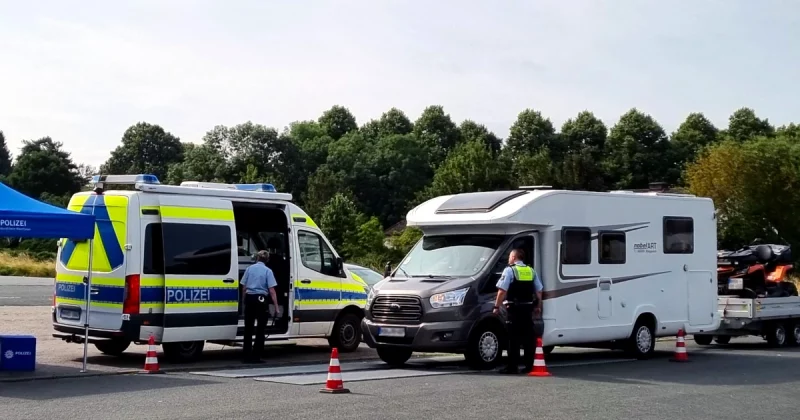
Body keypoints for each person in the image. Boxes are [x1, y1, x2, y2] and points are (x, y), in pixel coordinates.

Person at [492, 248, 543, 374]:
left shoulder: (510, 270)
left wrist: (496, 307)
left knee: (513, 338)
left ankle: (512, 367)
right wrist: (538, 306)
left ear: (514, 257)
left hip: (514, 309)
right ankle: (529, 366)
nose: (509, 259)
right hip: (528, 309)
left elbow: (502, 290)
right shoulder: (530, 270)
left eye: (510, 256)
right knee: (528, 338)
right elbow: (539, 291)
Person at [240, 250, 280, 363]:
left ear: (257, 258)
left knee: (248, 328)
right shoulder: (268, 271)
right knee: (260, 329)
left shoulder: (249, 269)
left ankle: (246, 355)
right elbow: (272, 290)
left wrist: (244, 300)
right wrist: (276, 307)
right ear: (267, 260)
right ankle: (256, 356)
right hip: (261, 300)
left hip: (250, 298)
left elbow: (244, 287)